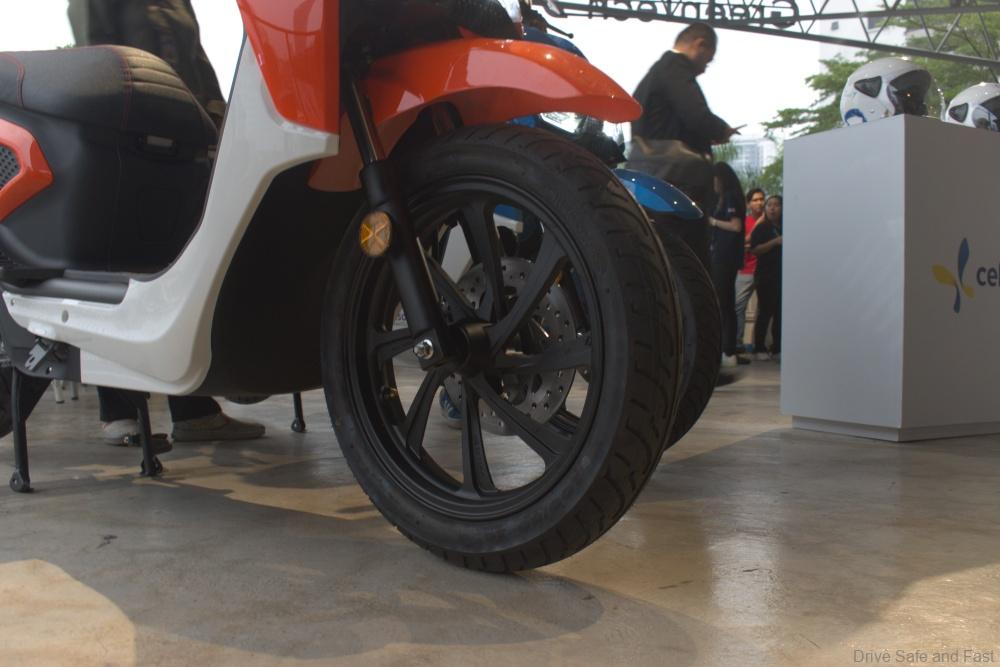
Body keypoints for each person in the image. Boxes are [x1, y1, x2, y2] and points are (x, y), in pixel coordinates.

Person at [69, 0, 264, 443]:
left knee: (178, 270)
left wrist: (219, 119)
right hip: (122, 139)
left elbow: (197, 61)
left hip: (180, 139)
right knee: (124, 269)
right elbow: (93, 56)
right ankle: (119, 411)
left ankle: (193, 409)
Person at [626, 22, 739, 268]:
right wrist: (721, 130)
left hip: (651, 180)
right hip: (679, 183)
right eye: (709, 59)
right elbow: (696, 115)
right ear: (701, 44)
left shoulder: (654, 75)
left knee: (660, 259)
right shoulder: (675, 67)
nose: (705, 68)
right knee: (690, 262)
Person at [707, 163, 746, 367]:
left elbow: (736, 226)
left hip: (725, 257)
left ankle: (728, 349)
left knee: (725, 303)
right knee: (725, 302)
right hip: (722, 256)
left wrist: (713, 222)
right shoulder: (722, 199)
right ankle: (727, 348)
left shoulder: (730, 198)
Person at [749, 195, 783, 361]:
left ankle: (777, 348)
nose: (772, 208)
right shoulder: (762, 228)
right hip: (765, 276)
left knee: (780, 313)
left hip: (782, 277)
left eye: (777, 205)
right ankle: (759, 347)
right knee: (765, 312)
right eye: (769, 205)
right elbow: (754, 249)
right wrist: (775, 242)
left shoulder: (787, 226)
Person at [736, 187, 765, 351]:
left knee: (764, 310)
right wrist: (757, 227)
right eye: (755, 200)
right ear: (748, 204)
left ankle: (760, 345)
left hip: (765, 270)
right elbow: (741, 243)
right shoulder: (745, 222)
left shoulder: (771, 222)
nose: (759, 203)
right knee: (738, 307)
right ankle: (737, 343)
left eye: (761, 199)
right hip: (746, 270)